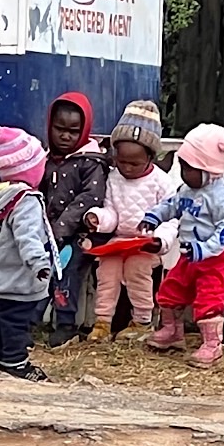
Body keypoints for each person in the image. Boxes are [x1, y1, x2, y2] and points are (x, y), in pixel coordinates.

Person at [0, 126, 60, 382]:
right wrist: (39, 264)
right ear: (31, 169)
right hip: (20, 276)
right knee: (18, 320)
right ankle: (16, 362)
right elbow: (27, 236)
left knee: (3, 317)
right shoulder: (26, 201)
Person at [138, 123, 224, 368]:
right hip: (188, 255)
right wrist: (153, 216)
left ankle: (212, 345)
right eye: (182, 166)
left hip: (213, 259)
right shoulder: (187, 190)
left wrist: (205, 249)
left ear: (209, 170)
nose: (184, 173)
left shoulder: (222, 198)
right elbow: (171, 205)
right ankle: (173, 331)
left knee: (209, 300)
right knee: (170, 291)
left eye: (189, 168)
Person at [81, 101, 179, 343]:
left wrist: (160, 240)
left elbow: (171, 217)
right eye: (122, 161)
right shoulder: (114, 179)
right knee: (107, 271)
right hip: (118, 241)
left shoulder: (161, 182)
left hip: (145, 243)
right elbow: (111, 210)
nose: (127, 168)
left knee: (137, 271)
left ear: (150, 156)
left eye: (134, 163)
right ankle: (102, 321)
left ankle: (142, 321)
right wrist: (97, 218)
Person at [40, 92, 108, 348]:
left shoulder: (90, 162)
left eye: (73, 131)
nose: (65, 136)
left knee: (67, 276)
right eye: (59, 129)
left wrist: (62, 228)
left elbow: (91, 196)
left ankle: (66, 326)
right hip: (48, 234)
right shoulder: (46, 160)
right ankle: (31, 321)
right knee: (39, 272)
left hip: (79, 236)